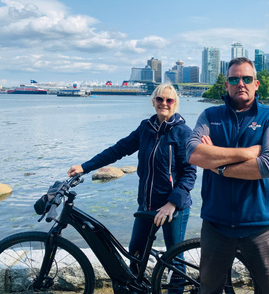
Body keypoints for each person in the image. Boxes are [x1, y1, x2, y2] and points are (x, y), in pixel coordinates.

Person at [68, 83, 196, 280]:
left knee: (175, 259)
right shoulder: (146, 128)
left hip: (173, 208)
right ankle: (137, 289)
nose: (164, 103)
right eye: (160, 99)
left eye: (169, 100)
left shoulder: (183, 132)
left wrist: (172, 203)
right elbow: (118, 150)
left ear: (175, 104)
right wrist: (85, 166)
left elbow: (189, 173)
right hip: (146, 205)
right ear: (153, 102)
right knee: (135, 252)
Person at [186, 57, 269, 293]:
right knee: (209, 289)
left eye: (246, 78)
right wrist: (247, 153)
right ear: (226, 84)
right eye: (234, 78)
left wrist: (217, 165)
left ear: (256, 84)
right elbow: (192, 153)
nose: (240, 83)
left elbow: (268, 166)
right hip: (216, 223)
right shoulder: (210, 116)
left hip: (260, 224)